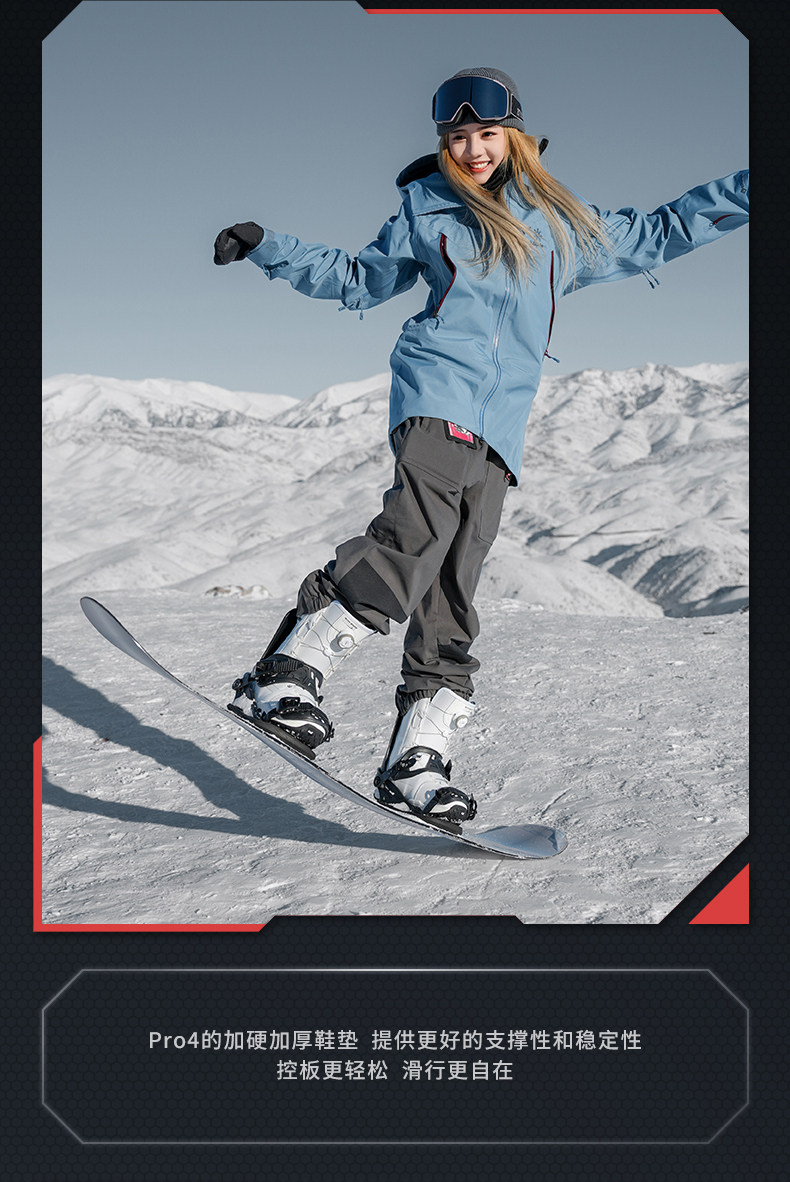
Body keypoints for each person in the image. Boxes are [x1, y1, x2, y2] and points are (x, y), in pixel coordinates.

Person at [213, 66, 749, 827]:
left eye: (486, 134)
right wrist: (270, 247)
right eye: (458, 137)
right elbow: (361, 280)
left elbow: (665, 229)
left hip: (503, 424)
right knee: (415, 533)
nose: (471, 150)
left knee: (454, 581)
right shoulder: (426, 208)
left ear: (514, 136)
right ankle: (288, 669)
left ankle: (419, 754)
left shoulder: (560, 223)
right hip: (437, 392)